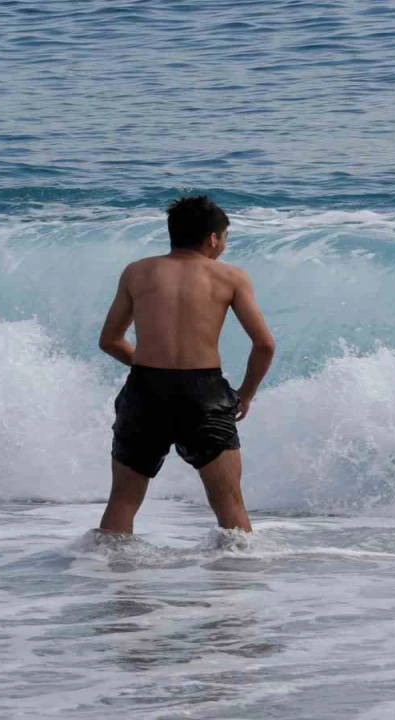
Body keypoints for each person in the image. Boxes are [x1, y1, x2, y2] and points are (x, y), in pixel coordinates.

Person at [96, 196, 276, 534]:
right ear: (212, 238)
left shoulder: (137, 272)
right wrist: (246, 395)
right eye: (224, 237)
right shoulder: (230, 277)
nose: (224, 245)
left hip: (145, 389)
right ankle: (237, 582)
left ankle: (110, 580)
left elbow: (110, 340)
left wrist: (150, 366)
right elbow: (264, 345)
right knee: (229, 504)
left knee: (123, 501)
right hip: (203, 393)